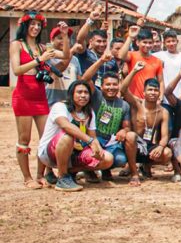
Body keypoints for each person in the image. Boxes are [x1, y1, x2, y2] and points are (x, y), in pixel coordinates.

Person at [37, 80, 114, 192]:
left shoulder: (89, 112)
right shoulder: (60, 107)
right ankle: (62, 178)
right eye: (79, 92)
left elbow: (93, 136)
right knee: (68, 136)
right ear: (71, 94)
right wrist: (90, 141)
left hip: (74, 154)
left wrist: (98, 150)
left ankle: (71, 172)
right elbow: (65, 125)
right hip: (49, 154)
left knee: (107, 158)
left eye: (86, 92)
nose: (83, 95)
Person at [10, 11, 58, 188]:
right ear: (25, 25)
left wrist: (64, 37)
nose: (36, 28)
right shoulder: (17, 45)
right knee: (24, 138)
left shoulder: (43, 47)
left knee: (46, 136)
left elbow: (65, 54)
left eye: (38, 25)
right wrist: (39, 60)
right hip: (23, 95)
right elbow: (17, 70)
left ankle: (40, 174)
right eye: (32, 24)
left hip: (40, 96)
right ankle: (27, 178)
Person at [81, 51, 138, 184]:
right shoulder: (97, 96)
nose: (111, 87)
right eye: (108, 84)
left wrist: (124, 131)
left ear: (119, 86)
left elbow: (127, 126)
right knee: (91, 154)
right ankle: (88, 170)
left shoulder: (123, 105)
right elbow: (85, 79)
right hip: (92, 140)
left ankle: (106, 169)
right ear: (102, 86)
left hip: (110, 142)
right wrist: (101, 61)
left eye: (114, 85)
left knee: (120, 160)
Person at [121, 64, 172, 180]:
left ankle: (146, 165)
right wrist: (134, 71)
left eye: (156, 90)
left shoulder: (163, 112)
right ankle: (134, 172)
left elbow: (165, 136)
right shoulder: (136, 104)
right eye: (150, 90)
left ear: (159, 93)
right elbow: (123, 90)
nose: (153, 92)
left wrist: (160, 147)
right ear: (144, 92)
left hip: (148, 146)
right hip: (132, 145)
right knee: (131, 136)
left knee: (167, 153)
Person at [118, 25, 164, 100]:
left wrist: (161, 97)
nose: (147, 45)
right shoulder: (132, 55)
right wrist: (130, 37)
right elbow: (121, 56)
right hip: (133, 99)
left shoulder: (157, 61)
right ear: (137, 42)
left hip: (149, 101)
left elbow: (161, 81)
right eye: (144, 42)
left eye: (150, 43)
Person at [75, 11, 119, 82]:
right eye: (98, 41)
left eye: (104, 41)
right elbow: (80, 39)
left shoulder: (111, 61)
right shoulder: (85, 54)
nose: (102, 44)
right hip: (86, 87)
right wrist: (90, 20)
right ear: (91, 42)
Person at [45, 25, 81, 107]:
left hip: (70, 104)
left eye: (66, 38)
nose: (64, 41)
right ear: (52, 40)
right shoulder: (48, 57)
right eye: (60, 38)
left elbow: (79, 80)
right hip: (51, 103)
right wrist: (72, 51)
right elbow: (59, 68)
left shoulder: (75, 59)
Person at [153, 30, 181, 103]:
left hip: (178, 96)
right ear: (164, 43)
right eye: (168, 41)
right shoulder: (158, 56)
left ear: (177, 41)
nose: (171, 44)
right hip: (163, 98)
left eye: (173, 41)